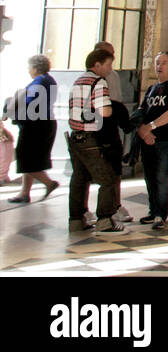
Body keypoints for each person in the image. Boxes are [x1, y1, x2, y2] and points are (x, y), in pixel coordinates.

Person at [67, 43, 123, 233]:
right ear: (97, 65)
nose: (110, 69)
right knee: (107, 179)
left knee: (80, 179)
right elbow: (105, 111)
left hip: (75, 137)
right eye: (108, 64)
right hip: (91, 137)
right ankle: (105, 220)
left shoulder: (78, 81)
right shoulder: (98, 82)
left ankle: (76, 220)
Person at [136, 51, 168, 230]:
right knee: (149, 177)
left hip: (164, 139)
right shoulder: (151, 90)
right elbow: (141, 111)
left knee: (161, 177)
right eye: (158, 63)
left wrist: (151, 127)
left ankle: (160, 215)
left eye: (164, 62)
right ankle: (153, 210)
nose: (160, 66)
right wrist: (143, 131)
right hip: (147, 139)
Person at [7, 54, 59, 203]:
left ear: (36, 68)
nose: (28, 70)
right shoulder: (48, 80)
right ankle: (24, 192)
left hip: (35, 126)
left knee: (25, 158)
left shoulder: (40, 82)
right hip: (44, 123)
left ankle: (49, 183)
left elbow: (29, 102)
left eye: (30, 67)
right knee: (30, 158)